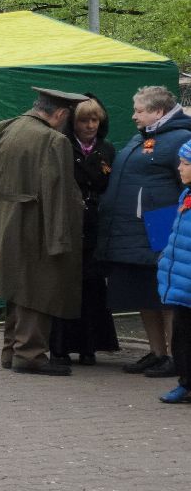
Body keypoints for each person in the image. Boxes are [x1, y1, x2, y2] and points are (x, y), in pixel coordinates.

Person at [0, 87, 86, 376]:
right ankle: (30, 353)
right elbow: (59, 193)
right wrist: (61, 238)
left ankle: (12, 349)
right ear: (61, 114)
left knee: (15, 286)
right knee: (39, 288)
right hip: (37, 223)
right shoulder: (53, 140)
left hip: (6, 217)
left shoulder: (1, 129)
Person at [99, 86, 191, 377]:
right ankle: (157, 352)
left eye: (139, 110)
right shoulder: (144, 138)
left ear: (158, 111)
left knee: (166, 297)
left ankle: (177, 357)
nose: (133, 115)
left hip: (161, 230)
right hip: (135, 233)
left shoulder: (182, 138)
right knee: (144, 295)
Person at [52, 96, 118, 365]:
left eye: (94, 120)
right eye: (84, 120)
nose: (90, 125)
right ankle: (61, 345)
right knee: (66, 284)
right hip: (69, 221)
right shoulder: (62, 146)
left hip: (94, 224)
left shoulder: (107, 149)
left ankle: (90, 345)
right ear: (73, 121)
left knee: (93, 285)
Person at [155, 141, 191, 404]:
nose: (179, 168)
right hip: (182, 282)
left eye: (186, 163)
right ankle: (186, 383)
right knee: (182, 337)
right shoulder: (185, 195)